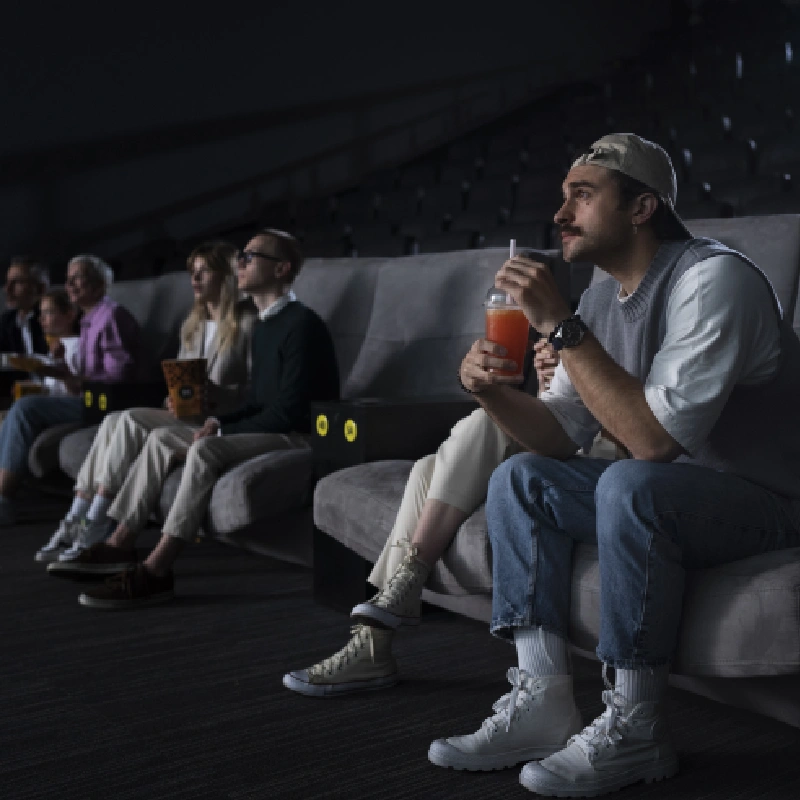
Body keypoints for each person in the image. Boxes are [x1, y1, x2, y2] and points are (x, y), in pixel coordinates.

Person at [420, 133, 800, 796]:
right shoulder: (596, 299)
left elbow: (652, 445)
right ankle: (541, 698)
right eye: (562, 197)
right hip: (674, 495)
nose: (561, 214)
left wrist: (562, 326)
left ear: (642, 207)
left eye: (582, 195)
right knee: (520, 477)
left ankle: (638, 727)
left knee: (632, 479)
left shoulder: (714, 279)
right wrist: (490, 391)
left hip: (767, 500)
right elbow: (560, 440)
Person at [56, 229, 340, 610]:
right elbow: (259, 400)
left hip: (300, 434)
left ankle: (157, 570)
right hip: (275, 425)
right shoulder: (266, 325)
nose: (240, 263)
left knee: (205, 451)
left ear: (281, 269)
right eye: (240, 256)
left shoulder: (302, 324)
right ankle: (117, 544)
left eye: (250, 257)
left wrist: (222, 428)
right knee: (159, 440)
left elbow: (289, 411)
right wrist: (220, 420)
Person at [282, 324, 564, 696]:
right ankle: (376, 638)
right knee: (426, 468)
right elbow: (558, 412)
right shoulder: (588, 307)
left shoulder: (644, 306)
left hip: (599, 454)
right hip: (559, 437)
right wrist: (550, 385)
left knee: (484, 421)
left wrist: (580, 381)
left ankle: (399, 592)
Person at [38, 240, 255, 564]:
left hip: (219, 417)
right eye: (191, 273)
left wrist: (218, 395)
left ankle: (96, 521)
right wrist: (172, 398)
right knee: (115, 419)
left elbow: (255, 388)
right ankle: (78, 518)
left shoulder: (247, 322)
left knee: (128, 420)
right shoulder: (193, 325)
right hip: (188, 414)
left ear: (225, 276)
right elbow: (182, 381)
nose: (194, 280)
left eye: (203, 272)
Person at [0, 255, 140, 527]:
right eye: (68, 279)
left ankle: (4, 498)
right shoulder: (89, 319)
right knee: (18, 408)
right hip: (88, 397)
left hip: (107, 403)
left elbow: (120, 376)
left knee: (26, 408)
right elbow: (79, 376)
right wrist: (61, 366)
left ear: (100, 285)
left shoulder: (111, 315)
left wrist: (67, 375)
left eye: (79, 278)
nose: (70, 285)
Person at [0, 256, 49, 356]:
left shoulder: (58, 319)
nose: (7, 289)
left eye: (18, 282)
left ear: (40, 288)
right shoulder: (5, 323)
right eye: (8, 282)